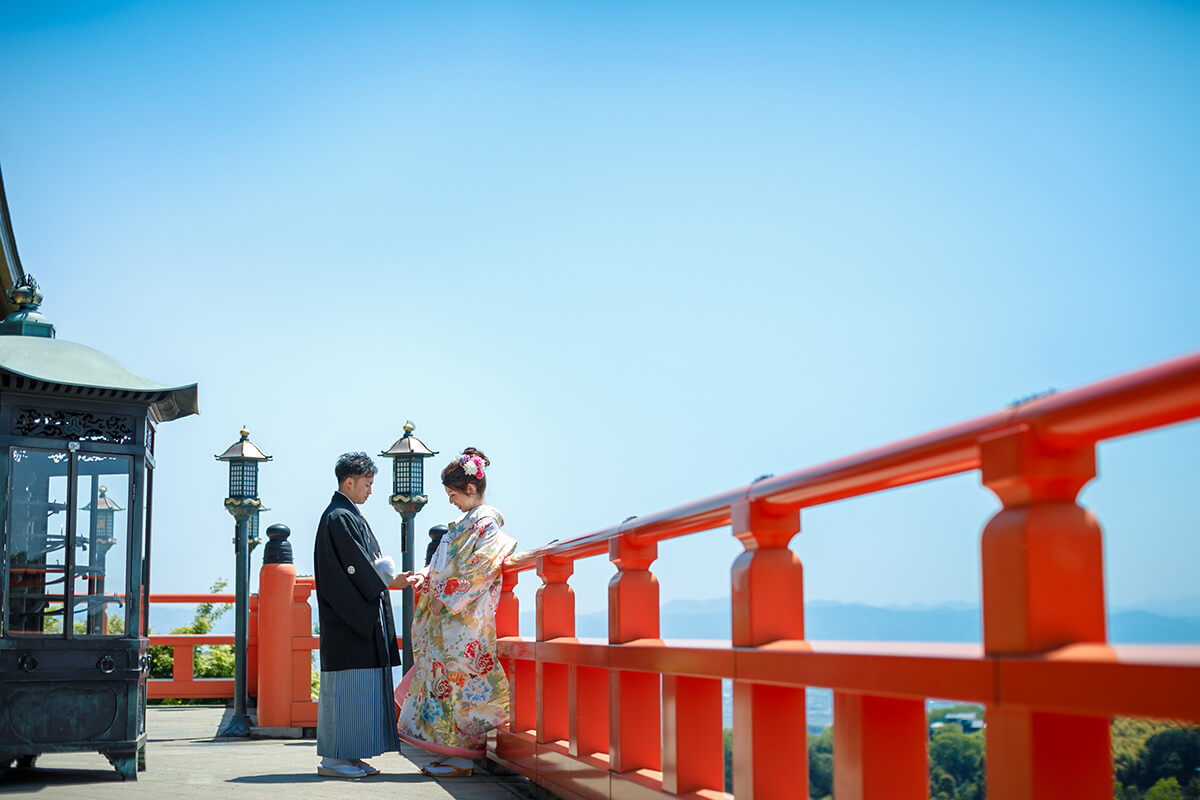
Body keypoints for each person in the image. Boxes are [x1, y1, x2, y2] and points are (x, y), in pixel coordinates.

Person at [395, 447, 516, 777]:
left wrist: (444, 596)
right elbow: (443, 563)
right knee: (443, 686)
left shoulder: (487, 523)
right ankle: (448, 751)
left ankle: (463, 757)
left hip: (465, 622)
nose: (451, 500)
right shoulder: (464, 524)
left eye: (452, 494)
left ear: (471, 489)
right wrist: (426, 575)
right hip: (448, 620)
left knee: (462, 688)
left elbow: (480, 569)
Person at [313, 452, 419, 779]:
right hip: (349, 623)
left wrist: (383, 579)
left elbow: (363, 566)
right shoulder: (339, 517)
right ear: (350, 481)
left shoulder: (346, 515)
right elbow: (356, 568)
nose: (370, 490)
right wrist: (387, 580)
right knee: (347, 691)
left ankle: (352, 755)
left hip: (357, 619)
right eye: (368, 484)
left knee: (359, 692)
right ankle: (334, 759)